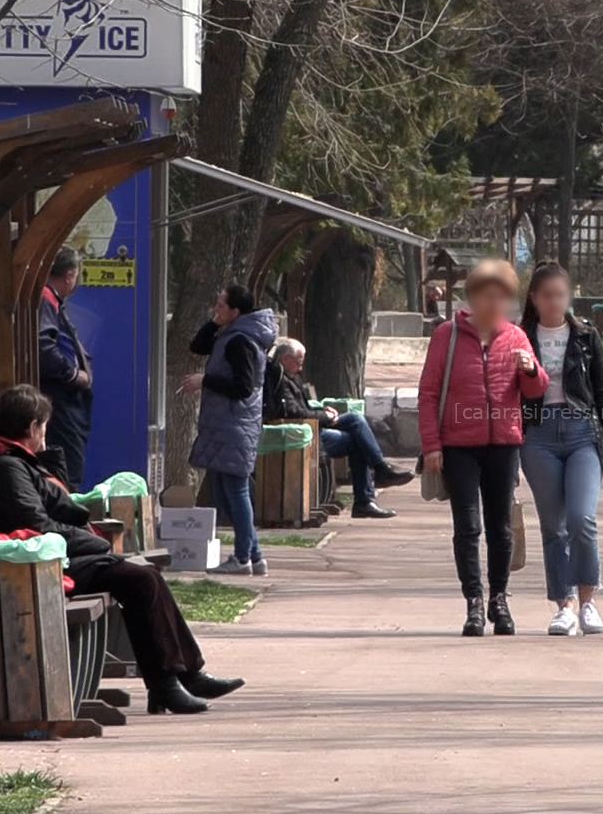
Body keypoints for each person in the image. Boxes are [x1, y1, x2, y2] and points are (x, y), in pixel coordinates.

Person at [0, 385, 242, 716]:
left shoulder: (12, 461)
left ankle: (184, 676)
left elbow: (60, 503)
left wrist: (46, 458)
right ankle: (168, 683)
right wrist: (97, 543)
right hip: (33, 569)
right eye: (44, 427)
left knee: (144, 577)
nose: (46, 435)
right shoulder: (4, 468)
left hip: (46, 559)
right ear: (32, 427)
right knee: (140, 581)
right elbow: (37, 525)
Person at [418, 259, 548, 637]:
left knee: (501, 528)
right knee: (468, 527)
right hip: (458, 445)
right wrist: (431, 445)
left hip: (504, 443)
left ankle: (499, 600)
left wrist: (529, 370)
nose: (496, 305)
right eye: (488, 296)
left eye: (503, 297)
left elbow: (536, 390)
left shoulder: (516, 336)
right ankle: (474, 602)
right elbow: (428, 393)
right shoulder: (448, 334)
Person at [518, 262, 603, 637]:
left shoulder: (587, 337)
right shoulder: (519, 337)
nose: (555, 302)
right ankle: (565, 605)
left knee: (581, 520)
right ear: (534, 298)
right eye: (547, 295)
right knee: (553, 527)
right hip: (537, 436)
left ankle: (589, 601)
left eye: (561, 294)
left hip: (580, 434)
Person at [183, 284, 279, 575]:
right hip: (226, 424)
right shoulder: (229, 334)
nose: (216, 308)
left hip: (235, 425)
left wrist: (206, 381)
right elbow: (198, 346)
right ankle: (254, 555)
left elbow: (243, 386)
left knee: (235, 491)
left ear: (236, 312)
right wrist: (215, 322)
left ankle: (241, 558)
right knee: (225, 491)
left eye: (221, 306)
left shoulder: (241, 342)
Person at [264, 337, 414, 519]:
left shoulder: (288, 375)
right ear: (286, 359)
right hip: (301, 435)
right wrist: (324, 417)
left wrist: (321, 411)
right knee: (358, 441)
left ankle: (377, 476)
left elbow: (300, 408)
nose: (300, 368)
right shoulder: (278, 377)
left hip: (309, 427)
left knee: (355, 419)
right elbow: (290, 412)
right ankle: (367, 495)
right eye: (298, 363)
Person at [37, 247, 93, 488]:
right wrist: (73, 374)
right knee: (67, 471)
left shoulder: (51, 301)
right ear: (70, 275)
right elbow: (44, 348)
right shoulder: (45, 300)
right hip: (60, 400)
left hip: (66, 401)